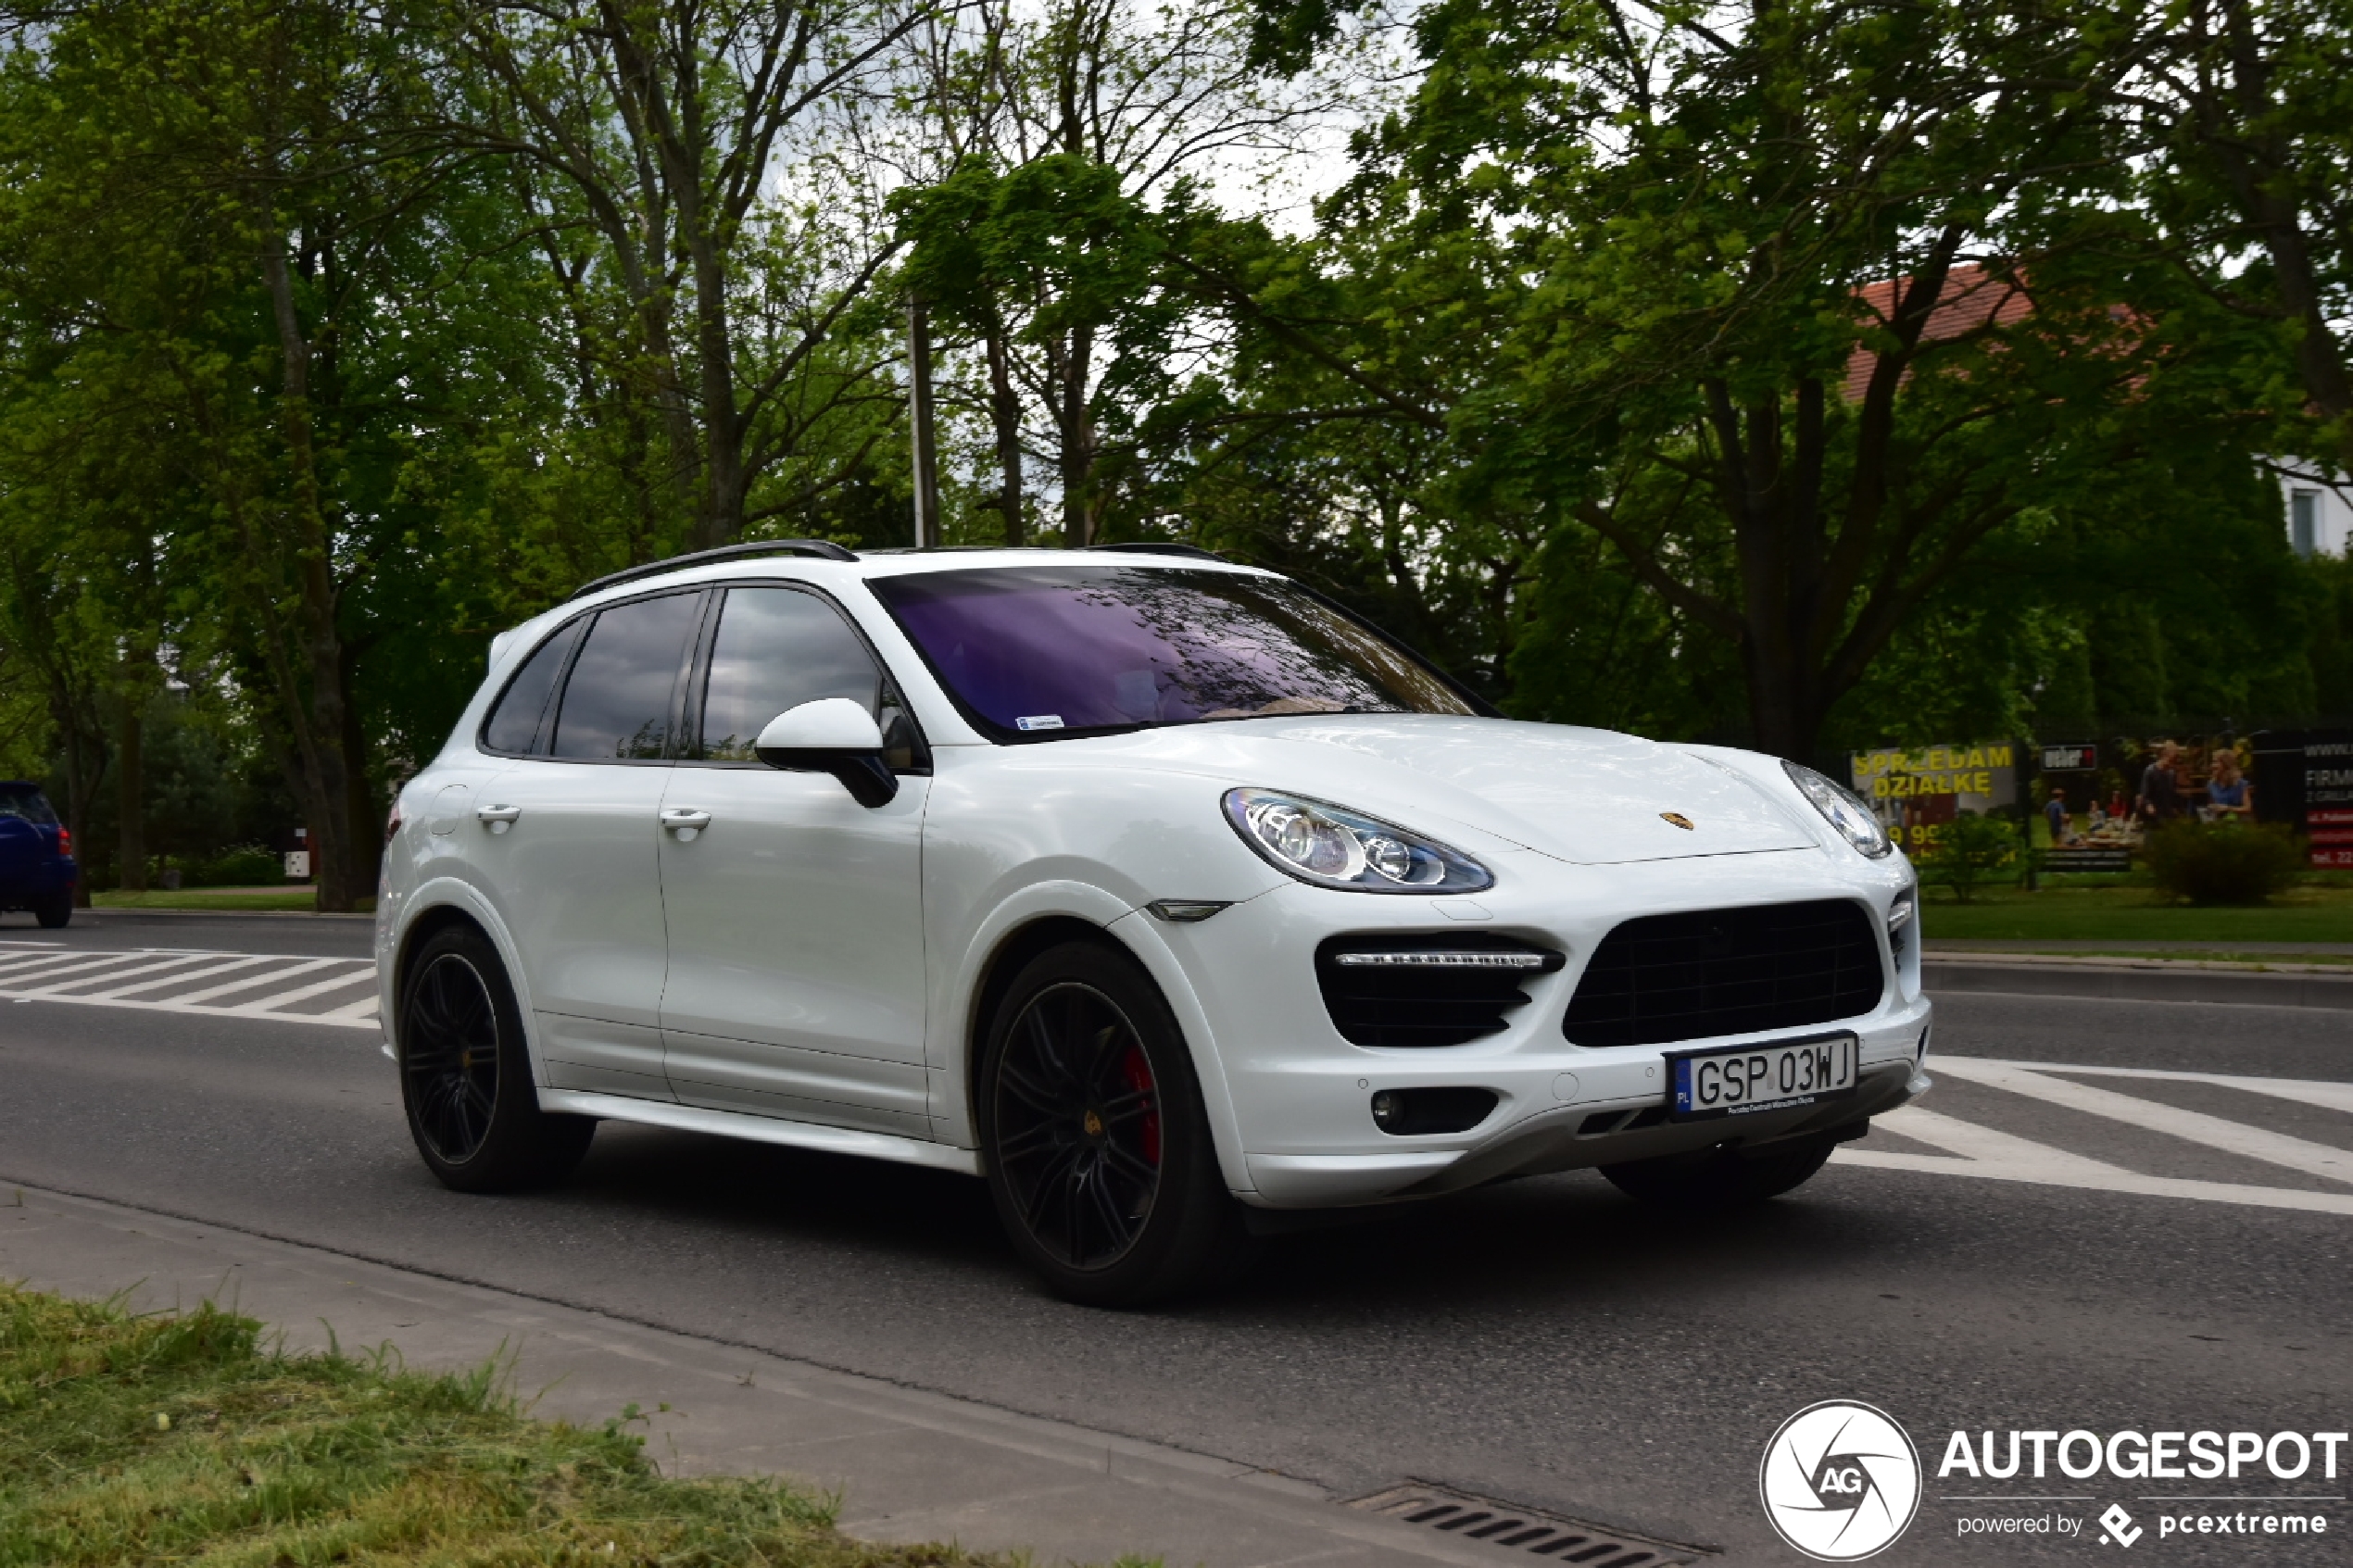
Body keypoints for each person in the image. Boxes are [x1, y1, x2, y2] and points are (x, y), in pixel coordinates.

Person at [2137, 741, 2184, 825]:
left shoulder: (2171, 774)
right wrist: (2149, 806)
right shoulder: (2150, 771)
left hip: (2168, 818)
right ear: (2164, 755)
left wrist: (2177, 808)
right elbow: (2145, 796)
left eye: (2174, 761)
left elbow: (2172, 794)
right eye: (2171, 760)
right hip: (2154, 818)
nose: (2172, 764)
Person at [2207, 750, 2254, 818]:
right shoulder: (2211, 784)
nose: (2212, 766)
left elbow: (2248, 808)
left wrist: (2227, 808)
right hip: (2218, 823)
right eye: (2212, 762)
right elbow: (2212, 805)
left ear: (2226, 764)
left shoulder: (2240, 784)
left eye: (2215, 762)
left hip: (2238, 822)